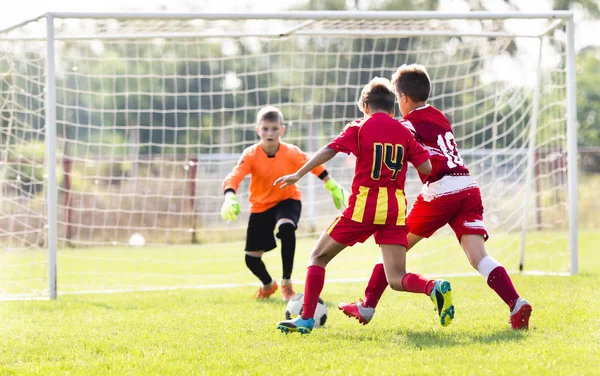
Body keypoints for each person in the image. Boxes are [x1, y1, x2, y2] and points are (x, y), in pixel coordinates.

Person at [338, 64, 533, 330]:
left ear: (403, 98)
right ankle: (516, 302)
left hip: (441, 190)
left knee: (395, 244)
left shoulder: (406, 125)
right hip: (468, 186)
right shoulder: (440, 116)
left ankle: (367, 305)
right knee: (479, 256)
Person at [275, 77, 455, 335]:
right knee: (396, 277)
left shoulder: (359, 126)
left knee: (318, 256)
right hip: (394, 209)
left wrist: (298, 174)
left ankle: (305, 318)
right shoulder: (404, 131)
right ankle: (432, 287)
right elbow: (426, 167)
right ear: (393, 109)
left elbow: (329, 150)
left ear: (364, 106)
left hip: (364, 206)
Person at [221, 106, 349, 302]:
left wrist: (331, 184)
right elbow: (235, 177)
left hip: (287, 200)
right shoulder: (250, 154)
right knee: (251, 259)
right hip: (260, 207)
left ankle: (286, 283)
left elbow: (314, 165)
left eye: (274, 128)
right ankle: (268, 284)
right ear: (258, 130)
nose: (269, 133)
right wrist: (229, 196)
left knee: (287, 227)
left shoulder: (291, 152)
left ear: (282, 129)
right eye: (265, 129)